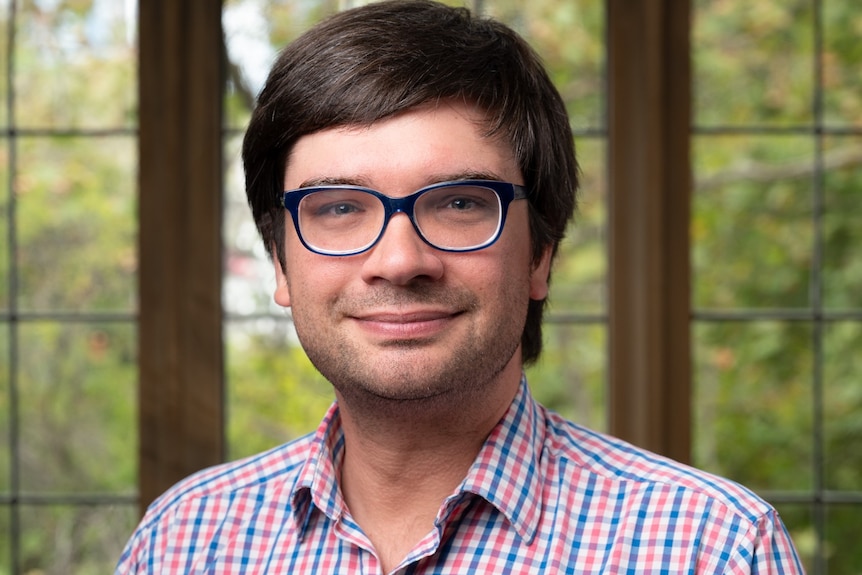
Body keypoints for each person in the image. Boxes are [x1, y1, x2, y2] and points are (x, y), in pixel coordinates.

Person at [116, 1, 804, 573]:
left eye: (458, 204)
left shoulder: (713, 548)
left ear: (540, 252)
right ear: (279, 262)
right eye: (338, 208)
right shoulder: (180, 541)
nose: (398, 259)